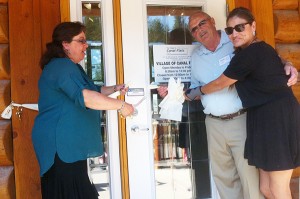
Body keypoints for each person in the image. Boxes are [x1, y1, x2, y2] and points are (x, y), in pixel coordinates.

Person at [158, 10, 298, 199]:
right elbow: (197, 89)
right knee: (226, 179)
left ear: (212, 21)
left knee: (252, 180)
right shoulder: (197, 56)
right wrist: (174, 92)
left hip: (245, 119)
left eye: (202, 23)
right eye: (193, 29)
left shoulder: (237, 45)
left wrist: (288, 62)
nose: (199, 29)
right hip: (215, 123)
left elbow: (265, 57)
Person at [31, 22, 134, 199]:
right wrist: (121, 106)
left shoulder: (71, 67)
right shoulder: (61, 67)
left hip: (68, 146)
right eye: (81, 41)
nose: (86, 45)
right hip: (60, 147)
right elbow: (85, 97)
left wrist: (116, 88)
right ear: (65, 44)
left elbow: (93, 90)